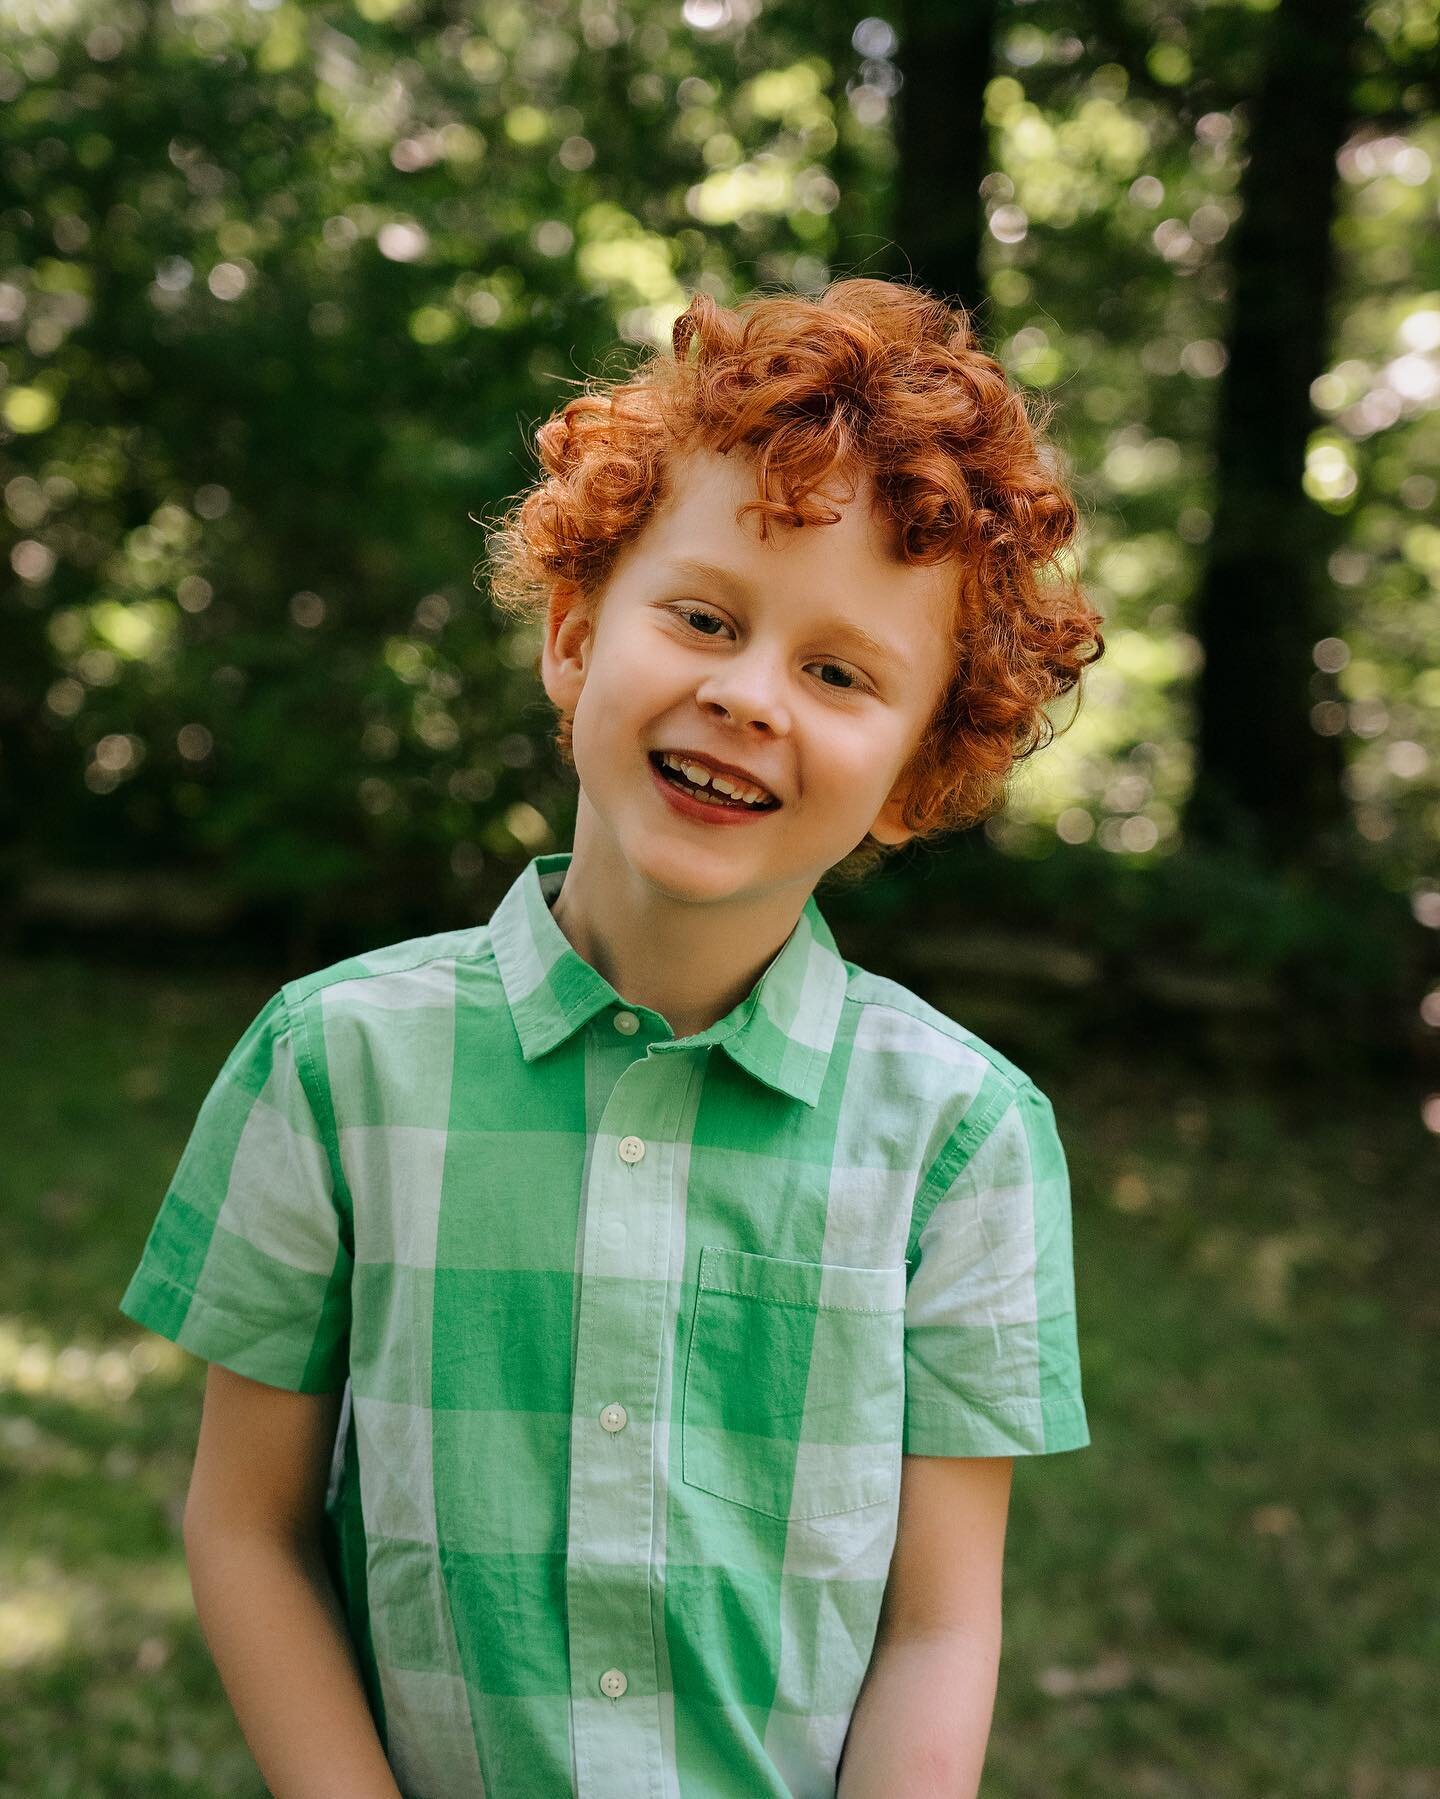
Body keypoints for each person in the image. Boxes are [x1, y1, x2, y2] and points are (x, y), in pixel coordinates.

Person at [119, 275, 1105, 1799]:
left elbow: (937, 1629)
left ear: (917, 777)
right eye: (704, 616)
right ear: (575, 639)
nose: (745, 695)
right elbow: (244, 1527)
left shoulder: (964, 1139)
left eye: (840, 674)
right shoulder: (332, 1068)